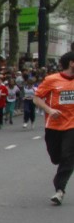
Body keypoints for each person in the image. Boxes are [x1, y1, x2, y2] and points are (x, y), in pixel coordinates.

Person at [32, 51, 74, 205]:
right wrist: (49, 110)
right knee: (56, 157)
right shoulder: (52, 79)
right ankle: (60, 169)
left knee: (68, 156)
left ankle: (60, 189)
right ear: (71, 63)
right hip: (53, 125)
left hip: (72, 125)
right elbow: (36, 98)